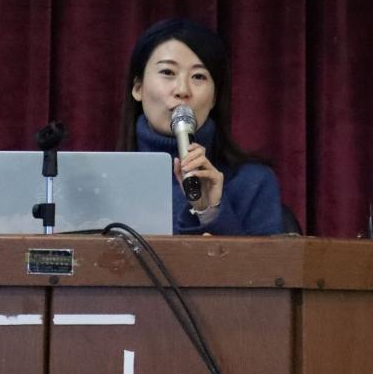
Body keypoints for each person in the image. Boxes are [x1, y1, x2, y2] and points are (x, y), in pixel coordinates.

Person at [118, 18, 283, 235]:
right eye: (168, 72)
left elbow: (263, 259)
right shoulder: (103, 181)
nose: (182, 90)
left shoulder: (253, 182)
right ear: (138, 87)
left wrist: (210, 211)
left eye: (198, 76)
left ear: (214, 98)